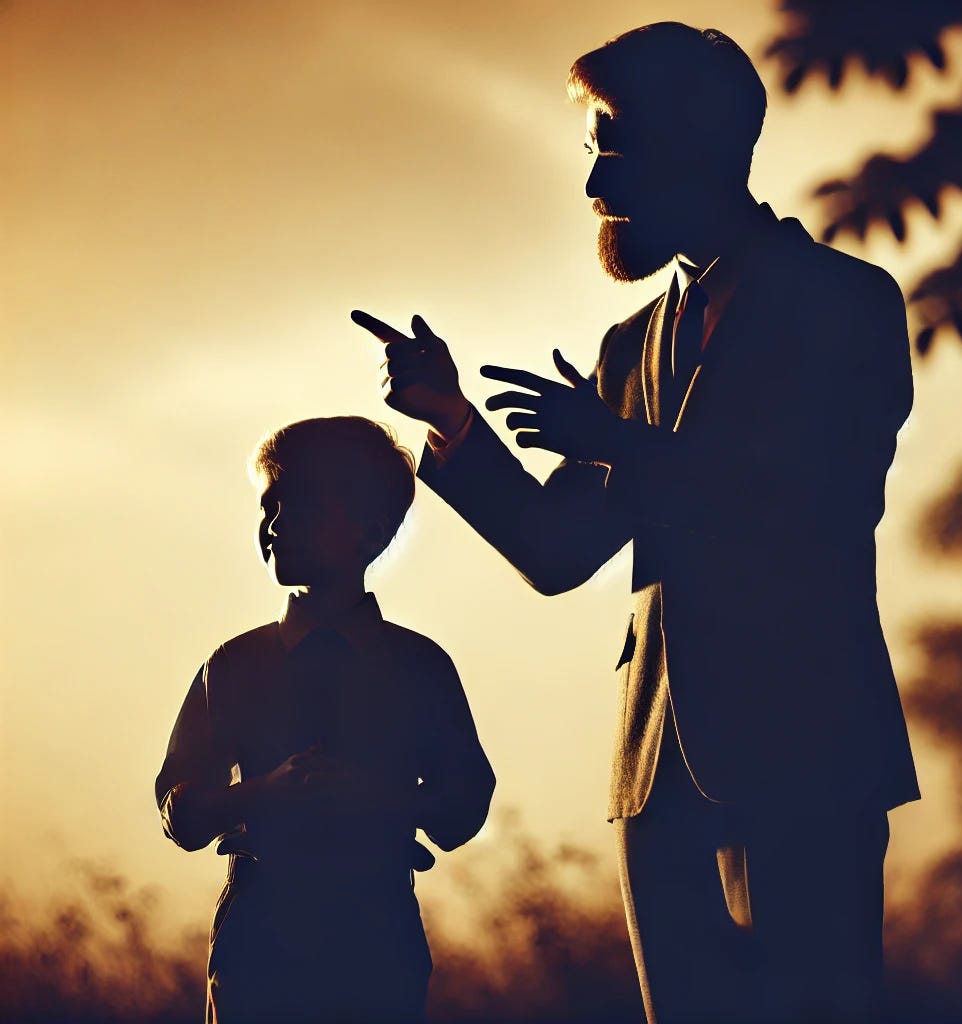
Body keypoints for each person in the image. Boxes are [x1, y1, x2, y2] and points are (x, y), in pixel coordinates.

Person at [352, 20, 920, 1024]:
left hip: (808, 752)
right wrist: (451, 422)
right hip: (654, 774)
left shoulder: (845, 302)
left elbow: (817, 501)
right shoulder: (628, 346)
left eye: (611, 145)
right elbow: (557, 550)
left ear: (692, 141)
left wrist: (622, 443)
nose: (592, 187)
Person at [154, 415, 495, 1024]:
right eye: (269, 507)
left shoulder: (420, 666)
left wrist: (385, 802)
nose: (275, 524)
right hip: (259, 937)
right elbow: (180, 811)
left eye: (299, 506)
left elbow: (467, 802)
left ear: (370, 528)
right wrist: (263, 793)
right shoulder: (234, 665)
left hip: (376, 933)